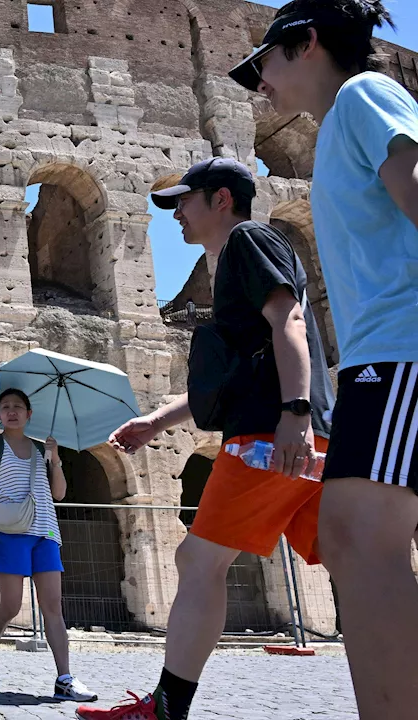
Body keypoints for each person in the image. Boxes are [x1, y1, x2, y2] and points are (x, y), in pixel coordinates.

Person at [78, 157, 334, 720]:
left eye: (184, 202)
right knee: (354, 558)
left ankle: (167, 708)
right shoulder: (240, 260)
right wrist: (156, 422)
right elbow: (234, 380)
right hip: (291, 432)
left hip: (271, 435)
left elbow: (289, 321)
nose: (175, 216)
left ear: (221, 200)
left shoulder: (248, 240)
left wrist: (293, 411)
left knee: (197, 560)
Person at [230, 3, 418, 718]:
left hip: (404, 347)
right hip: (382, 357)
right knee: (352, 538)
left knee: (356, 537)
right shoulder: (342, 124)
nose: (258, 86)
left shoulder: (363, 97)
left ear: (306, 44)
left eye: (262, 65)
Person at [0, 389, 98, 703]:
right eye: (5, 407)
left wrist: (55, 460)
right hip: (8, 530)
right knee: (11, 606)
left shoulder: (43, 447)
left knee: (53, 607)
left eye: (18, 407)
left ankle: (64, 678)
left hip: (45, 532)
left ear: (29, 414)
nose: (11, 411)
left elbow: (59, 493)